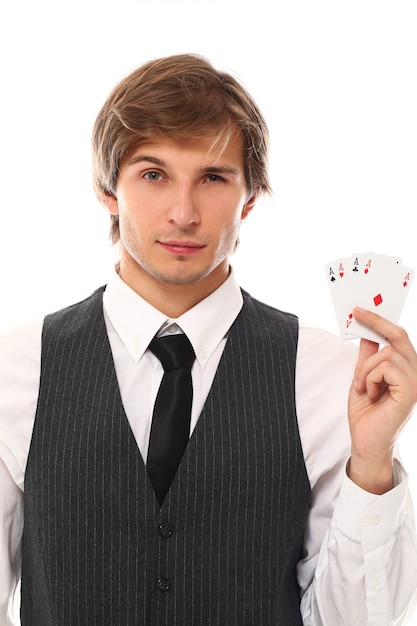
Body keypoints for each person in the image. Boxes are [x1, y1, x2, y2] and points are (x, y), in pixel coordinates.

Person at [1, 53, 417, 626]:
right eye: (153, 174)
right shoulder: (19, 367)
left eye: (214, 177)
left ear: (249, 198)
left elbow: (353, 621)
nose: (183, 212)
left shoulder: (324, 373)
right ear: (107, 191)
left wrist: (374, 462)